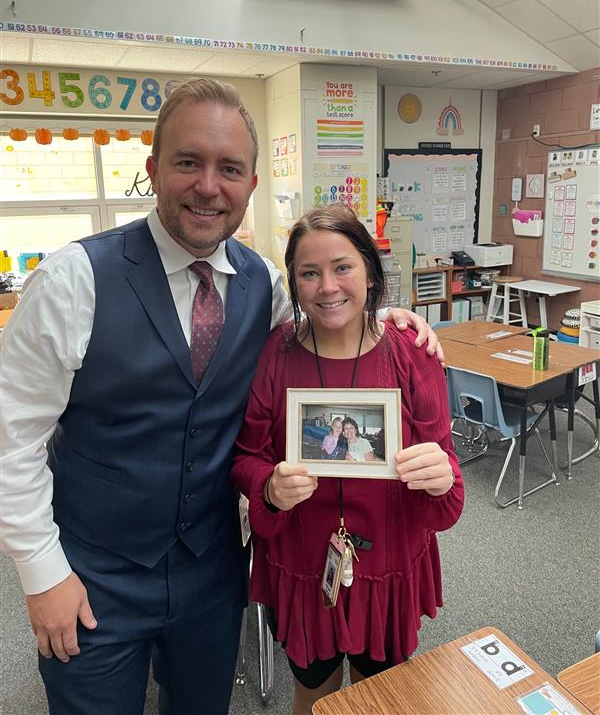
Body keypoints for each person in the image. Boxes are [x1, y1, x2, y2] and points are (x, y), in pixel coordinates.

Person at [0, 78, 442, 715]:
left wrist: (391, 316)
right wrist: (41, 574)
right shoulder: (74, 279)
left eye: (229, 168)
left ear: (251, 185)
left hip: (212, 571)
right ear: (153, 170)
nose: (209, 186)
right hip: (94, 576)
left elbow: (329, 316)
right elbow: (14, 441)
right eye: (189, 162)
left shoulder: (262, 282)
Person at [231, 203, 464, 715]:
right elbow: (247, 458)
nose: (328, 286)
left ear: (369, 270)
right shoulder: (277, 352)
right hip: (303, 564)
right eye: (309, 273)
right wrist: (268, 486)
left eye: (342, 267)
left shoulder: (412, 354)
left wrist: (441, 476)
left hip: (388, 565)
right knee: (313, 696)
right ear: (293, 282)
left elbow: (448, 495)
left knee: (380, 698)